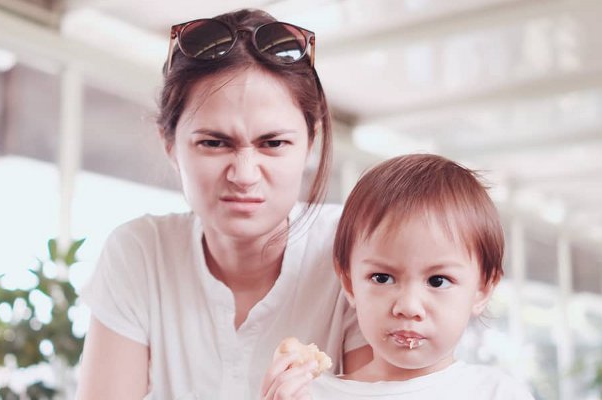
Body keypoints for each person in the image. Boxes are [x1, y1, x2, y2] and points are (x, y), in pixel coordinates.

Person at [76, 8, 370, 400]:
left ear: (310, 143)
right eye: (214, 143)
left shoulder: (356, 250)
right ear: (170, 145)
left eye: (273, 143)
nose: (244, 175)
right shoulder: (141, 253)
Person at [268, 154, 534, 399]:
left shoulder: (497, 393)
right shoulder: (309, 394)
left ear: (482, 290)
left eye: (437, 281)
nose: (408, 307)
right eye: (382, 278)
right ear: (349, 283)